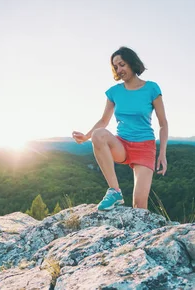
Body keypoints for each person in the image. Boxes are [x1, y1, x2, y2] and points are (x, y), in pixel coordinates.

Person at [72, 46, 168, 211]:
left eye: (122, 64)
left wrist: (162, 153)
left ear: (131, 63)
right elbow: (104, 121)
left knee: (139, 205)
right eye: (116, 67)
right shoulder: (114, 92)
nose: (119, 69)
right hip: (122, 145)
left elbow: (163, 123)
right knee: (98, 135)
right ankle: (115, 191)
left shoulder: (152, 88)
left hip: (145, 147)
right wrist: (86, 137)